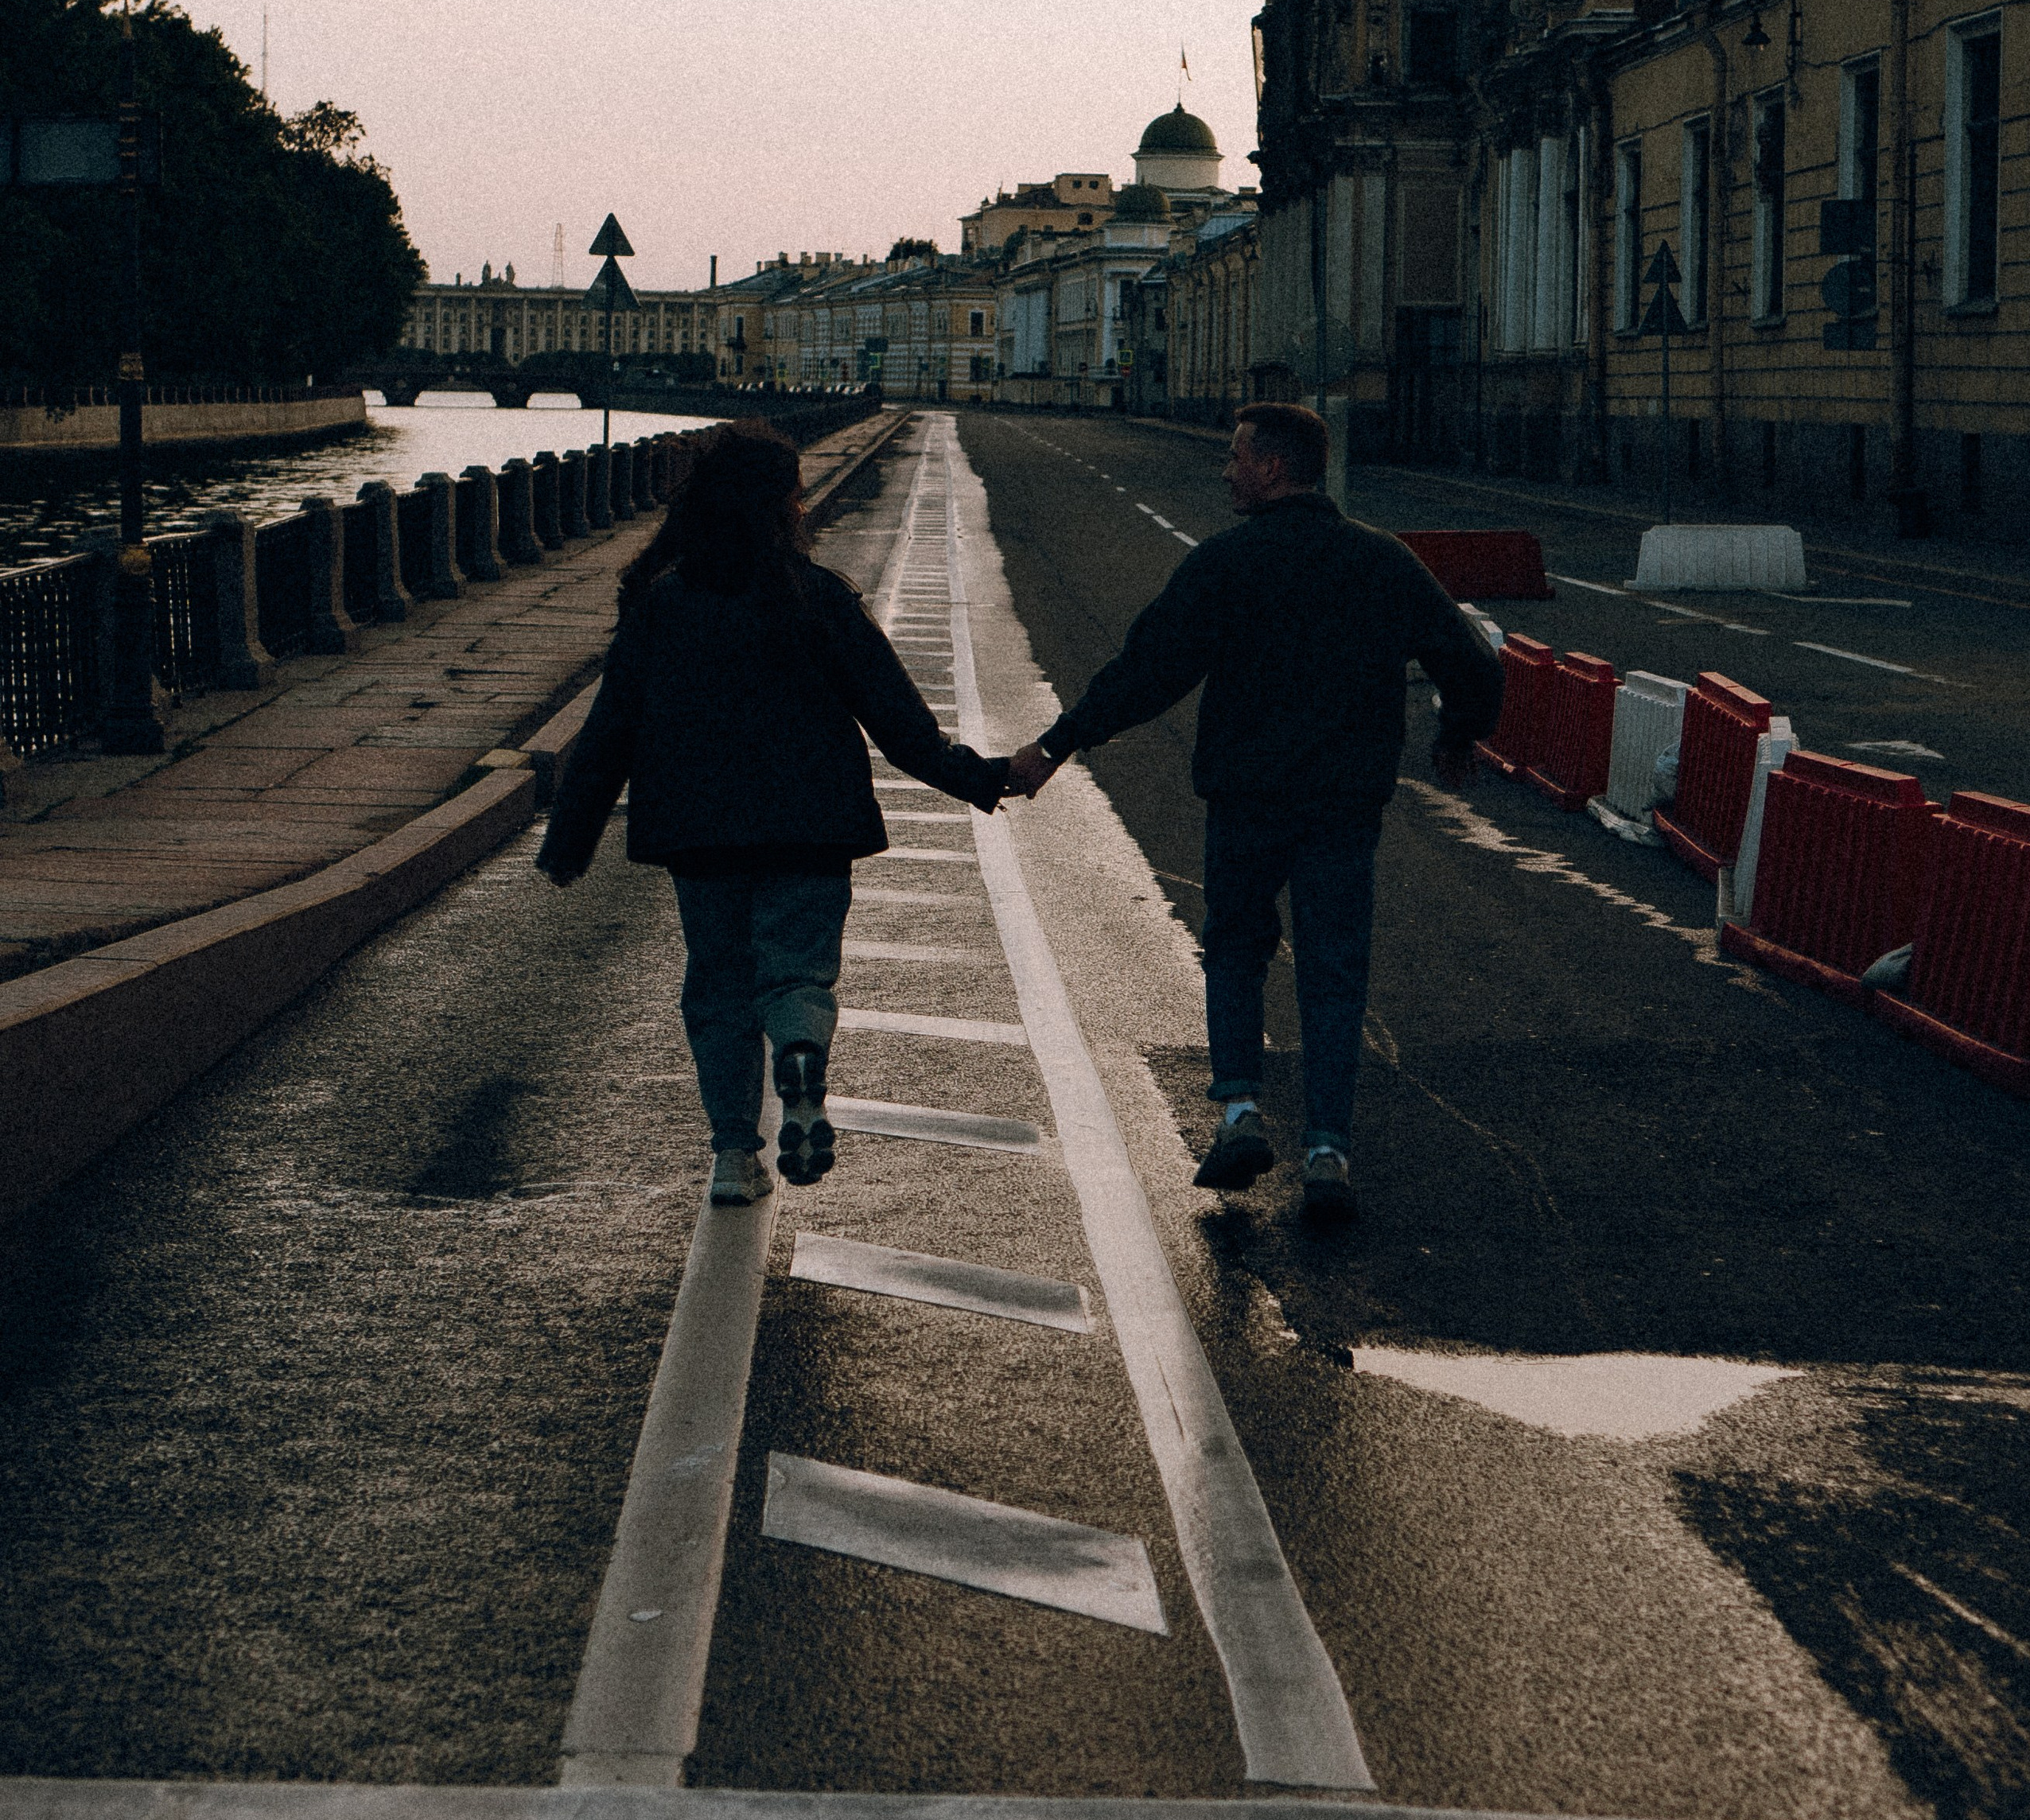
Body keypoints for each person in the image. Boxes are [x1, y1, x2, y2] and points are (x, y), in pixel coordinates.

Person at [1008, 403, 1503, 1219]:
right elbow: (1472, 663)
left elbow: (1148, 672)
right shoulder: (1383, 562)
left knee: (1236, 950)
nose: (1226, 469)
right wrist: (1458, 736)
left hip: (1246, 801)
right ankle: (1327, 1154)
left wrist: (1057, 746)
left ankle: (1239, 1113)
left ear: (1273, 467)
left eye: (1237, 456)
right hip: (1344, 804)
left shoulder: (1225, 563)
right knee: (1333, 972)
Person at [535, 421, 1009, 1204]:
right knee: (797, 972)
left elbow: (609, 731)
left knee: (718, 988)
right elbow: (899, 724)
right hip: (811, 826)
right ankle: (798, 1055)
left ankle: (731, 1157)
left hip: (699, 832)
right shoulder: (816, 597)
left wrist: (569, 841)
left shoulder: (662, 604)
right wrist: (982, 779)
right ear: (780, 506)